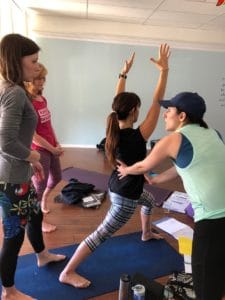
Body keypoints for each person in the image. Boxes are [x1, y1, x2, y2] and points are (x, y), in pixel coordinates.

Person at [59, 43, 170, 288]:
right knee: (100, 235)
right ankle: (68, 272)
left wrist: (123, 74)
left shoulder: (112, 128)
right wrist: (164, 71)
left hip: (121, 185)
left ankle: (146, 232)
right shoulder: (138, 135)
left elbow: (118, 101)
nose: (141, 111)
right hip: (125, 198)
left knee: (150, 201)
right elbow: (157, 101)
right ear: (133, 111)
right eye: (138, 108)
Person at [117, 92, 225, 300]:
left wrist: (127, 170)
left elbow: (144, 165)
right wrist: (157, 181)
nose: (165, 114)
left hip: (212, 222)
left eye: (169, 110)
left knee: (205, 284)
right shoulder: (214, 133)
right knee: (218, 273)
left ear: (182, 116)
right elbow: (185, 165)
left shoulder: (174, 139)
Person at [0, 33, 66, 300]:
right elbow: (5, 141)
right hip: (11, 179)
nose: (38, 67)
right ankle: (9, 291)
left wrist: (30, 163)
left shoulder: (9, 87)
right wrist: (34, 157)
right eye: (34, 61)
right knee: (14, 236)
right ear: (17, 62)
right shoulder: (14, 92)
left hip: (19, 173)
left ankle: (42, 255)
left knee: (36, 214)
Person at [25, 63, 63, 233]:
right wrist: (51, 148)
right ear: (28, 80)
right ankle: (37, 221)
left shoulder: (42, 99)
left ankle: (43, 200)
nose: (42, 82)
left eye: (43, 78)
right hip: (39, 150)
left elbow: (48, 125)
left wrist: (57, 143)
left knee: (56, 178)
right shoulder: (28, 103)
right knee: (38, 187)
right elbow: (33, 135)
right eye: (38, 78)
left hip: (51, 147)